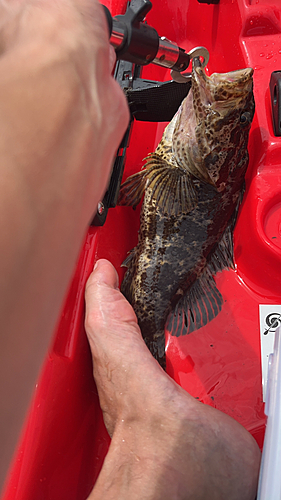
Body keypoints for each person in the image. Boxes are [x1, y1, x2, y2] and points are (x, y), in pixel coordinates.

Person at [0, 0, 261, 498]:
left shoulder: (179, 169)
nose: (217, 110)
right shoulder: (184, 169)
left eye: (225, 124)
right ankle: (159, 431)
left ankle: (158, 430)